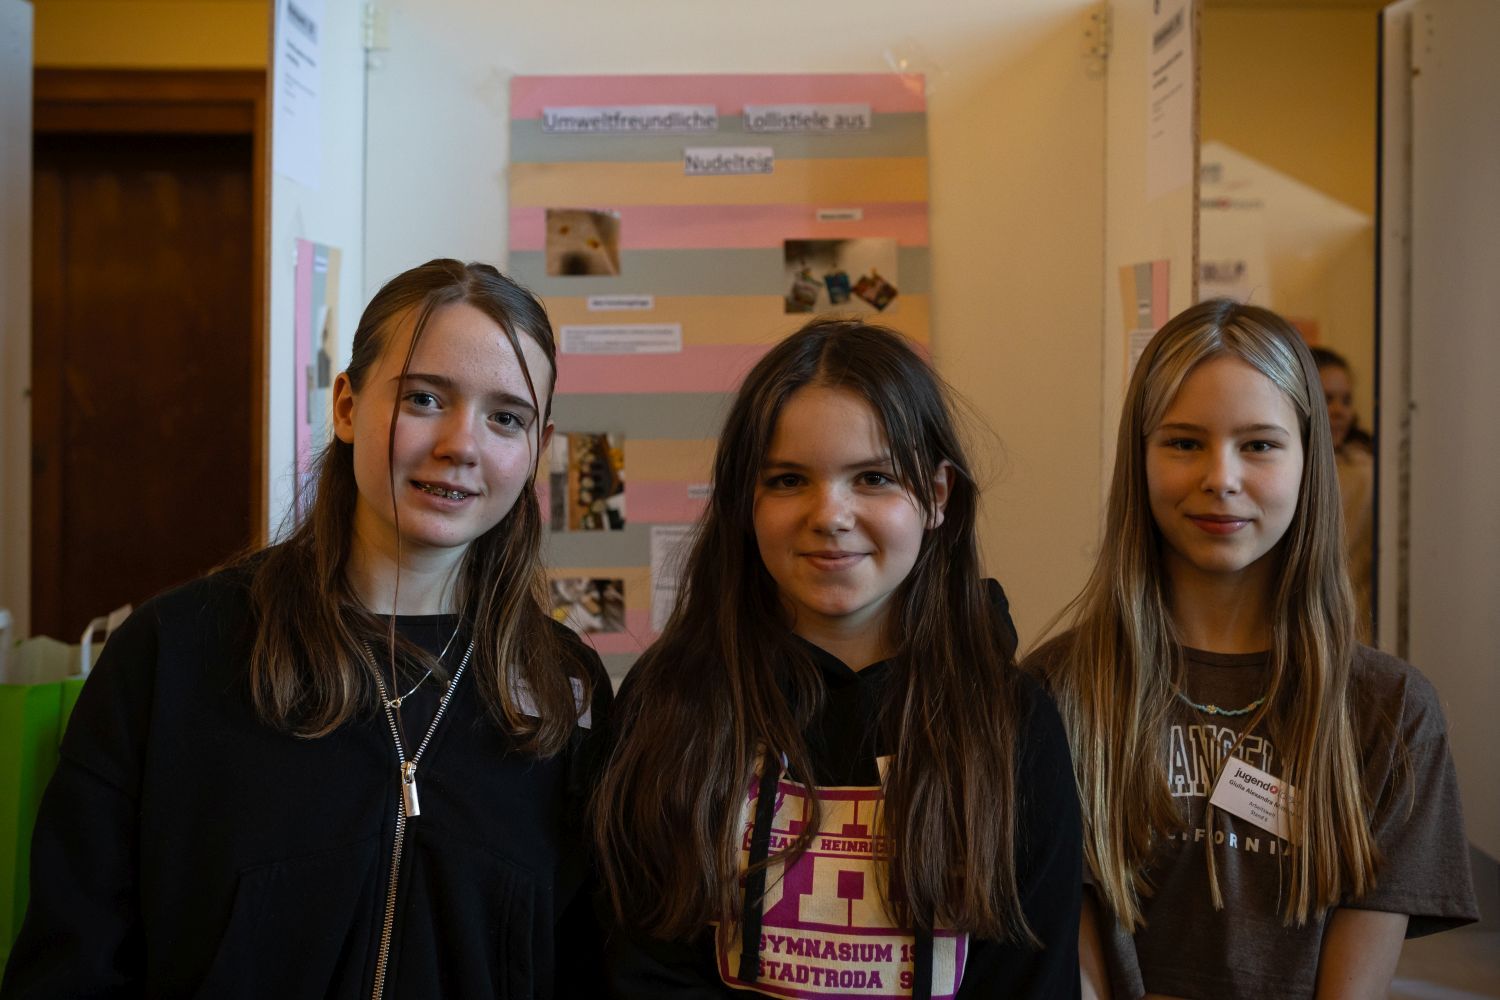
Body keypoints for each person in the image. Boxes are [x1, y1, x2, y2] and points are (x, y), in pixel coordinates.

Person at [0, 260, 611, 999]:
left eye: (506, 417)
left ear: (539, 446)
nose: (462, 444)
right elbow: (71, 964)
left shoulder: (565, 688)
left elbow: (587, 966)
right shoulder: (175, 652)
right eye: (424, 398)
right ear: (348, 407)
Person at [593, 319, 1083, 1000]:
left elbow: (1030, 980)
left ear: (937, 496)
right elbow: (639, 966)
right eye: (789, 479)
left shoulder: (1013, 725)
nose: (829, 514)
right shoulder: (671, 700)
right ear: (744, 500)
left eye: (873, 477)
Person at [1028, 300, 1477, 999]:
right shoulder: (1056, 691)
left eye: (1260, 445)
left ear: (1308, 461)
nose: (1221, 477)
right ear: (1139, 458)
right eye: (1183, 443)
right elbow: (1070, 959)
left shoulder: (1392, 711)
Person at [1310, 346, 1374, 641]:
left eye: (1346, 400)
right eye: (1328, 399)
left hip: (1355, 627)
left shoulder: (1366, 471)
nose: (1339, 411)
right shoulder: (1287, 470)